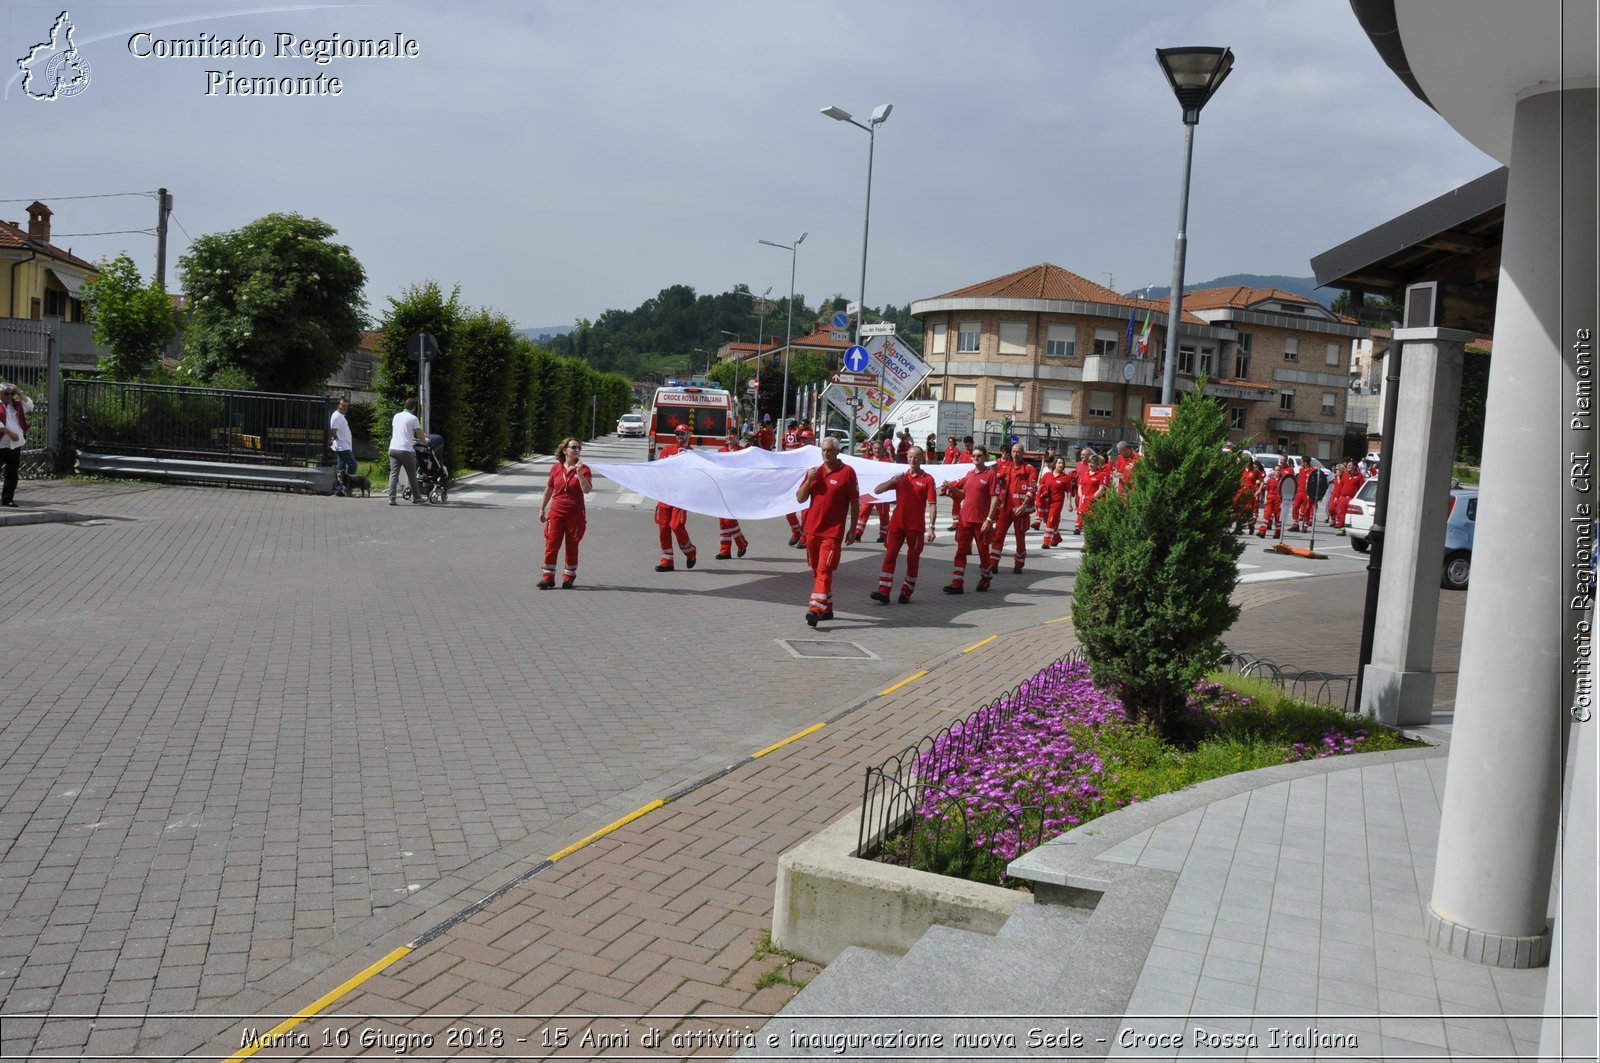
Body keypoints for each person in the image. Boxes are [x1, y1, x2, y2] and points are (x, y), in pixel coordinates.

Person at [795, 437, 860, 626]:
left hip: (833, 533)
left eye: (829, 450)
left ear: (837, 452)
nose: (826, 453)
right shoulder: (815, 472)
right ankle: (828, 608)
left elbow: (855, 502)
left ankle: (815, 608)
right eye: (823, 450)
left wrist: (852, 529)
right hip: (812, 531)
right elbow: (800, 498)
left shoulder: (847, 472)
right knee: (817, 571)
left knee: (824, 569)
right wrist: (809, 479)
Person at [871, 446, 936, 604]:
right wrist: (892, 481)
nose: (912, 460)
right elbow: (877, 490)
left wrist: (931, 527)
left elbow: (932, 504)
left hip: (915, 527)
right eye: (910, 456)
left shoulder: (927, 479)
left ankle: (907, 590)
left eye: (916, 457)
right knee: (889, 556)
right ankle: (884, 591)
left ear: (922, 459)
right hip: (897, 525)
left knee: (912, 560)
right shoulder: (901, 477)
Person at [943, 444, 1001, 594]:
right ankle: (957, 583)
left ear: (985, 457)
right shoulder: (969, 474)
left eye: (979, 455)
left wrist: (989, 519)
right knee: (961, 551)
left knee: (983, 553)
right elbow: (965, 496)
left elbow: (995, 498)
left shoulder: (990, 475)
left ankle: (986, 578)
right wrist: (953, 488)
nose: (976, 458)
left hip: (981, 522)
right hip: (965, 520)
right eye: (974, 455)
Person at [537, 437, 591, 589]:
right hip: (556, 513)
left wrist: (579, 473)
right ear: (564, 450)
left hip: (575, 514)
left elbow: (586, 490)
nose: (577, 450)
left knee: (572, 546)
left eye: (578, 448)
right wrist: (542, 508)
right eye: (573, 447)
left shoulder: (584, 469)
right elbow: (549, 489)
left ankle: (569, 577)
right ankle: (548, 577)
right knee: (551, 544)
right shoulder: (555, 469)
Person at [653, 424, 698, 570]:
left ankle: (690, 551)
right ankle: (667, 560)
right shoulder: (667, 450)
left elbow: (695, 476)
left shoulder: (693, 454)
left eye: (683, 433)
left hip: (681, 496)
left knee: (676, 525)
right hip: (665, 495)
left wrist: (685, 458)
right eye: (677, 433)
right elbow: (659, 470)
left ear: (689, 435)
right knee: (663, 528)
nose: (680, 436)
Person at [998, 441, 1038, 572]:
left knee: (1020, 538)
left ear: (1023, 453)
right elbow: (996, 481)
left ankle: (1019, 564)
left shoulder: (1029, 469)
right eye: (1013, 451)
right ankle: (993, 563)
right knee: (998, 536)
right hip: (1005, 509)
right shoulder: (1006, 467)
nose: (1015, 454)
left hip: (1020, 510)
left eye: (1018, 452)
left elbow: (1032, 489)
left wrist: (1024, 505)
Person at [715, 428, 750, 559]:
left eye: (732, 434)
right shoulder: (720, 452)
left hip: (735, 490)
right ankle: (725, 550)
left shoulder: (742, 452)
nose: (729, 436)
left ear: (737, 437)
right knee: (723, 522)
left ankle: (741, 543)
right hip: (722, 489)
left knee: (729, 519)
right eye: (727, 434)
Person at [387, 398, 428, 506]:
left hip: (393, 448)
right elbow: (419, 434)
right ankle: (417, 498)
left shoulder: (396, 416)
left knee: (394, 474)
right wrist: (425, 440)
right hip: (406, 450)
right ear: (414, 408)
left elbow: (400, 432)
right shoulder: (413, 418)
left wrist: (410, 437)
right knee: (411, 474)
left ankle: (391, 498)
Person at [0, 382, 35, 509]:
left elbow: (30, 405)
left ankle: (7, 499)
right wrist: (9, 432)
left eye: (11, 393)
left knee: (12, 473)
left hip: (14, 444)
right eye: (6, 393)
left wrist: (19, 392)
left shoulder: (16, 405)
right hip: (1, 443)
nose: (9, 396)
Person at [1037, 455, 1070, 548]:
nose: (1061, 465)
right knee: (1048, 520)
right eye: (1059, 463)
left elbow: (1069, 491)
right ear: (1055, 464)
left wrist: (1069, 504)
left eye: (1062, 463)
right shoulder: (1047, 475)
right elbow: (1040, 486)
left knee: (1050, 521)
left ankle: (1046, 542)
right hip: (1046, 502)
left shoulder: (1065, 478)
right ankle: (1057, 538)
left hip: (1057, 503)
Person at [329, 397, 356, 497]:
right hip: (342, 446)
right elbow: (333, 432)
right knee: (353, 465)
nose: (345, 408)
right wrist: (334, 441)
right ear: (338, 406)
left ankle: (339, 490)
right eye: (343, 405)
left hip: (343, 446)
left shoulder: (340, 416)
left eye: (346, 406)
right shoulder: (336, 416)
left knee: (341, 468)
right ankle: (347, 488)